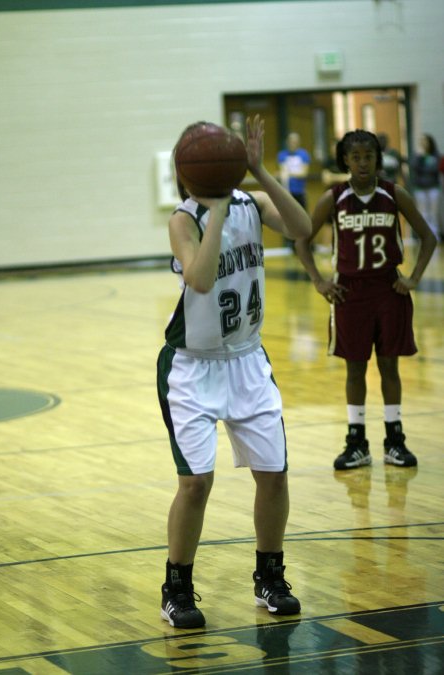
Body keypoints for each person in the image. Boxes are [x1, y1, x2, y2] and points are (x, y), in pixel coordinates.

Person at [156, 115, 312, 628]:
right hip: (192, 369)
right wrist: (216, 211)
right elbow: (199, 279)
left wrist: (259, 173)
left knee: (274, 475)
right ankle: (176, 587)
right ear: (189, 174)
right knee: (196, 483)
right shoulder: (184, 219)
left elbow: (303, 228)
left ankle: (270, 576)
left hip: (247, 360)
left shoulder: (252, 203)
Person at [295, 129, 437, 471]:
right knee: (355, 368)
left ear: (378, 159)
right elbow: (301, 241)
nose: (362, 162)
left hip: (389, 290)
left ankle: (395, 440)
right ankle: (356, 442)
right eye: (355, 157)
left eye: (368, 156)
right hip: (350, 293)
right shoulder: (333, 198)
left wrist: (414, 278)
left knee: (390, 366)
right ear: (345, 159)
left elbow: (429, 238)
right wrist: (319, 281)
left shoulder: (394, 194)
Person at [410, 133, 441, 239]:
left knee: (433, 213)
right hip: (420, 188)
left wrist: (423, 169)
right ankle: (425, 236)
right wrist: (420, 157)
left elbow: (435, 169)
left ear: (430, 142)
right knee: (423, 213)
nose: (423, 143)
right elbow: (414, 167)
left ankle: (435, 234)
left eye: (425, 141)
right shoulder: (418, 155)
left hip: (433, 187)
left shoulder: (436, 155)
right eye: (421, 141)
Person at [277, 131, 311, 210]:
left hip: (300, 191)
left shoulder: (304, 154)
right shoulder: (281, 155)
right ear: (287, 142)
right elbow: (283, 173)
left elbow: (304, 174)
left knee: (303, 214)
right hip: (286, 191)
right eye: (291, 141)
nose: (292, 144)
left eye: (295, 142)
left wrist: (288, 174)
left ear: (298, 142)